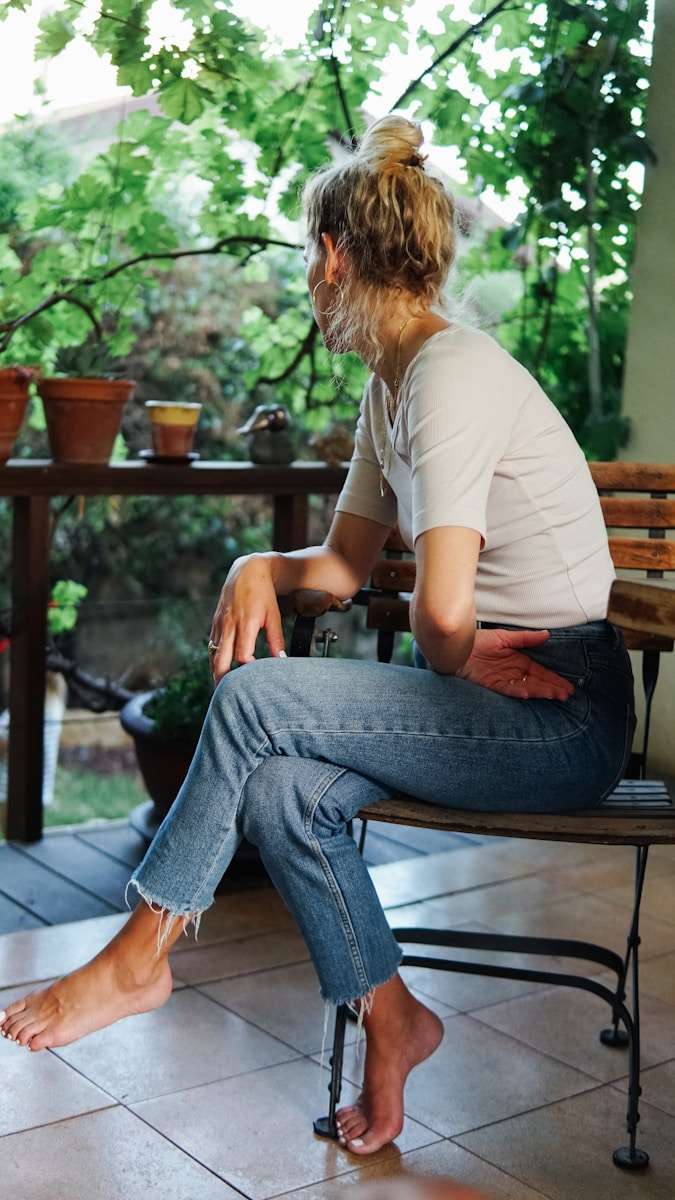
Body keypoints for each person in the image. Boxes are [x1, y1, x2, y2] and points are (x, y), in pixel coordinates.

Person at [0, 115, 637, 1158]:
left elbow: (439, 615)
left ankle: (139, 955)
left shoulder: (451, 378)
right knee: (284, 788)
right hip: (492, 691)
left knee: (255, 699)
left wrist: (461, 647)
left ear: (335, 257)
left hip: (561, 712)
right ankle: (395, 1019)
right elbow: (340, 570)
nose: (308, 277)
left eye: (309, 257)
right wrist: (258, 565)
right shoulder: (393, 389)